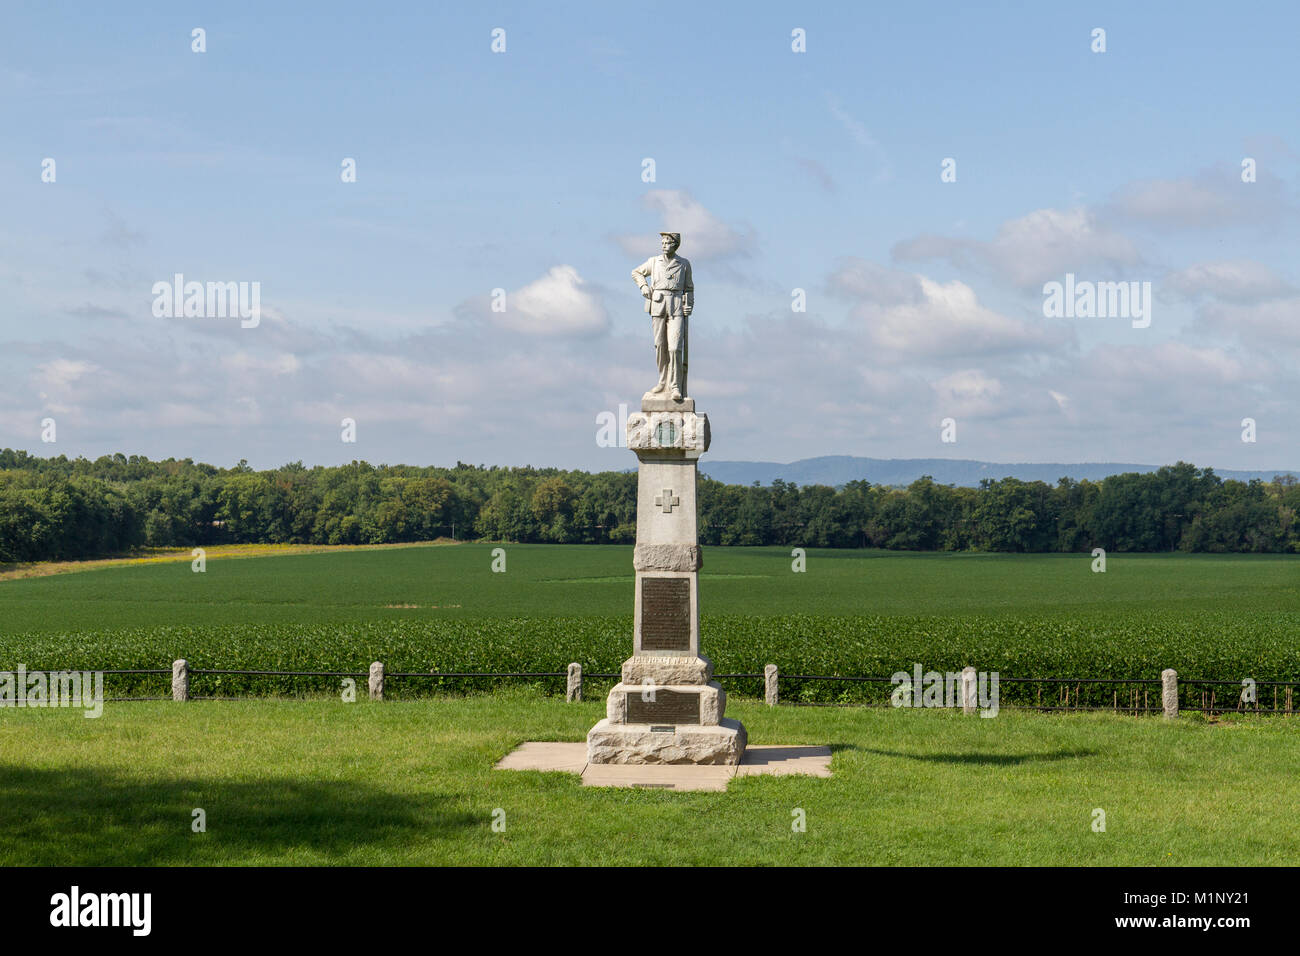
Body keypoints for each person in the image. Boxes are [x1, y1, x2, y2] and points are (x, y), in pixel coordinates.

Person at [631, 232, 693, 401]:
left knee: (674, 347)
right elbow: (636, 272)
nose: (664, 245)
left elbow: (689, 288)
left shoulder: (684, 264)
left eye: (668, 242)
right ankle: (662, 381)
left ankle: (675, 386)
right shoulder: (654, 261)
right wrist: (643, 286)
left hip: (676, 306)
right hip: (658, 304)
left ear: (675, 245)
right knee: (660, 345)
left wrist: (689, 305)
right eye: (663, 242)